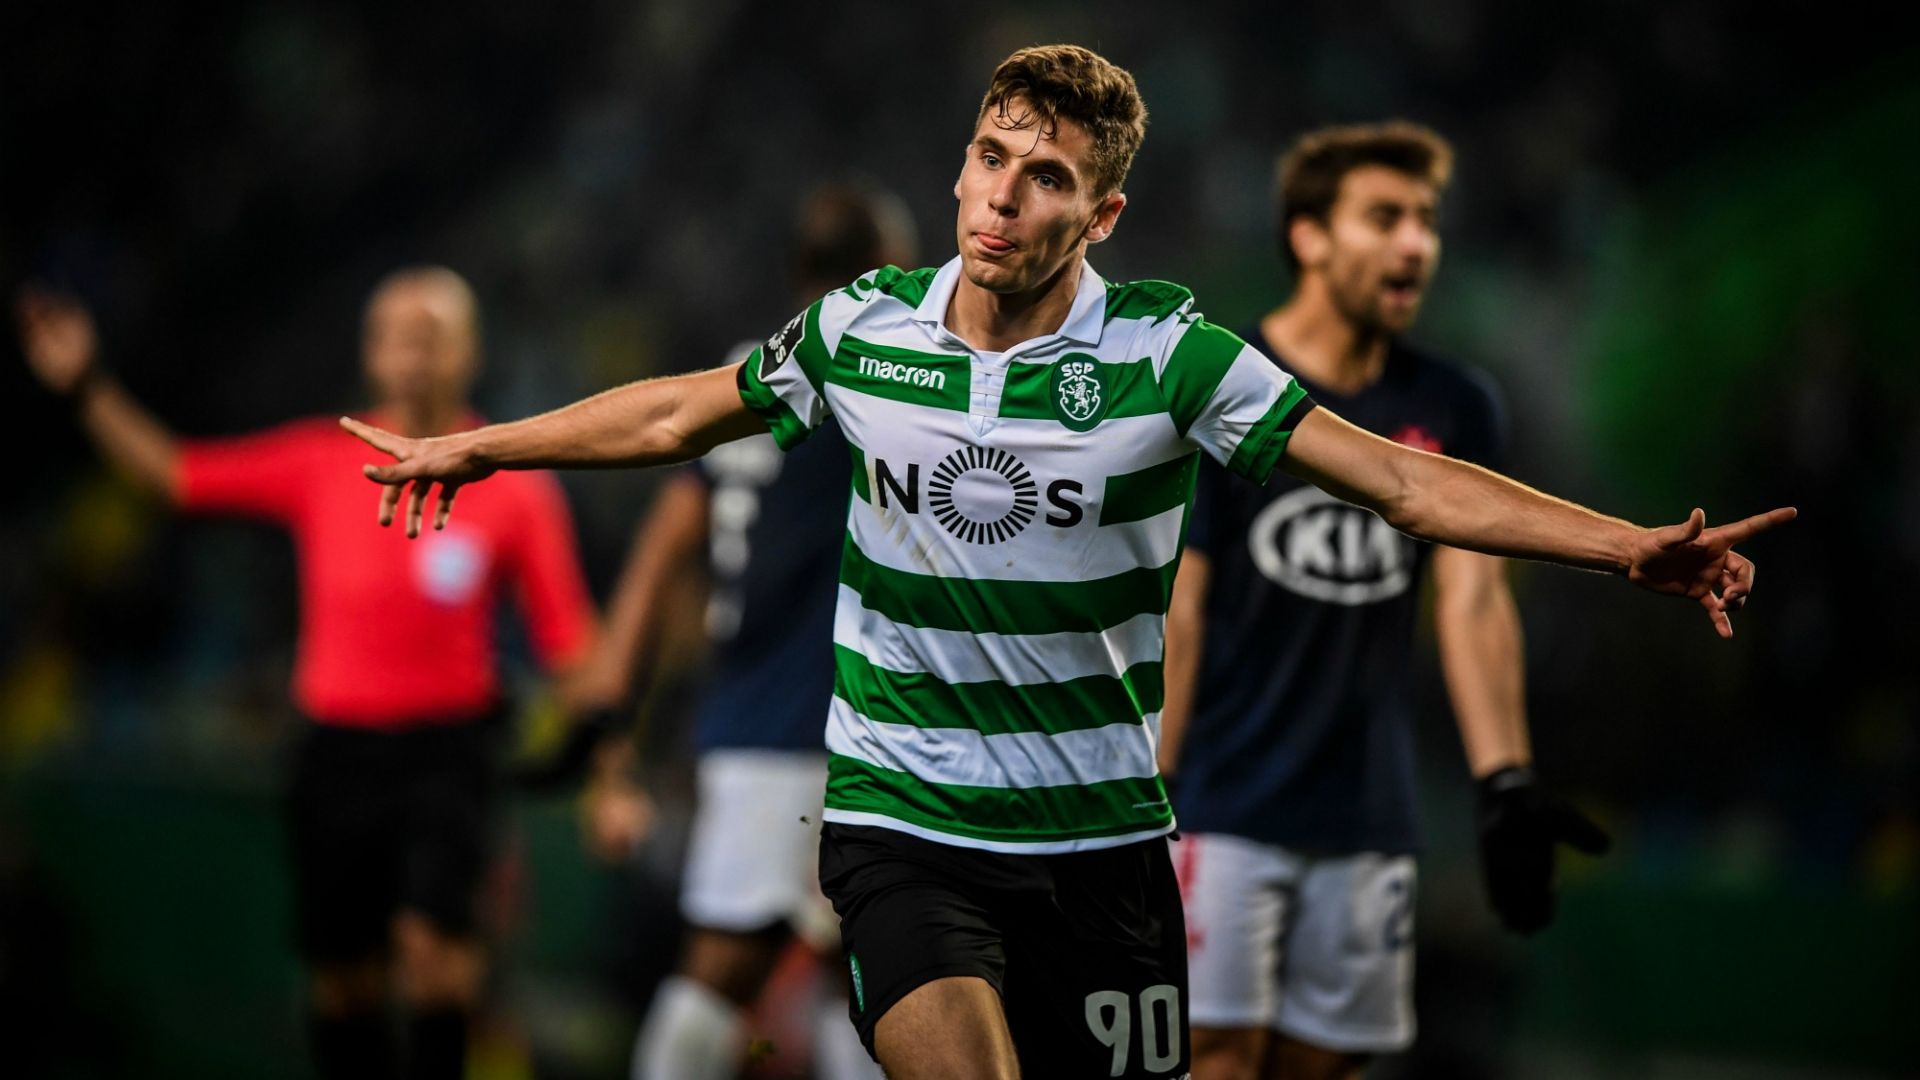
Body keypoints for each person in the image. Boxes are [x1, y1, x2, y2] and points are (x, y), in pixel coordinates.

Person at [334, 46, 1790, 1080]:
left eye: (1045, 179)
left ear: (1102, 215)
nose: (1000, 200)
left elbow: (1404, 481)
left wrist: (1627, 551)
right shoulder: (864, 332)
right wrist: (487, 444)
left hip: (1100, 850)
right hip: (902, 822)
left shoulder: (1176, 362)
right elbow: (672, 410)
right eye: (987, 160)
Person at [15, 268, 597, 1080]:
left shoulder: (512, 482)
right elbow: (175, 475)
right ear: (370, 352)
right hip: (338, 751)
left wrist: (610, 767)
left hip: (450, 752)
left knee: (439, 957)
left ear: (468, 351)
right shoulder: (322, 460)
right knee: (344, 980)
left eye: (431, 333)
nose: (413, 350)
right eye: (396, 332)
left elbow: (569, 638)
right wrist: (87, 389)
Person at [1157, 121, 1610, 1080]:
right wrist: (1145, 796)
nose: (1415, 243)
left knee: (1325, 1067)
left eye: (1426, 221)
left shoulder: (1456, 406)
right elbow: (1180, 610)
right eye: (1384, 217)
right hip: (1222, 805)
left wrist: (1505, 780)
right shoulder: (1231, 386)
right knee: (1217, 1059)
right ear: (1309, 237)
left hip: (1368, 816)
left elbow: (1474, 600)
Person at [566, 182, 913, 1080]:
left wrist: (610, 733)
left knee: (865, 977)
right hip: (824, 723)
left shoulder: (738, 377)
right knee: (734, 970)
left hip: (746, 721)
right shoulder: (871, 379)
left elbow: (654, 565)